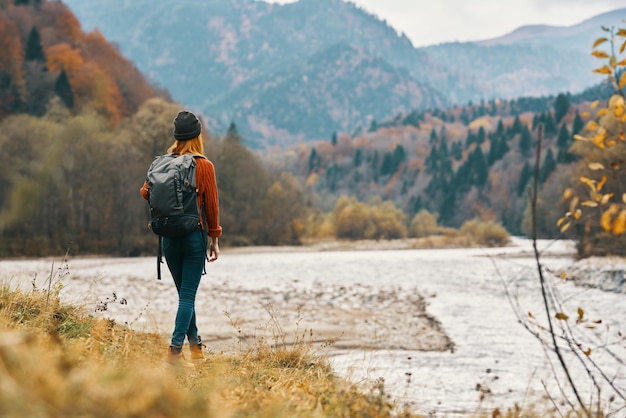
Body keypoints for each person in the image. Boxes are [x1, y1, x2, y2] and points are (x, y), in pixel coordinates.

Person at [140, 110, 222, 362]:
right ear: (197, 136)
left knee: (185, 296)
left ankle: (196, 350)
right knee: (187, 297)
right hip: (192, 238)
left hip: (168, 239)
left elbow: (145, 192)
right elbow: (211, 206)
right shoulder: (203, 165)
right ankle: (175, 351)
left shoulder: (160, 163)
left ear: (177, 136)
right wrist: (214, 238)